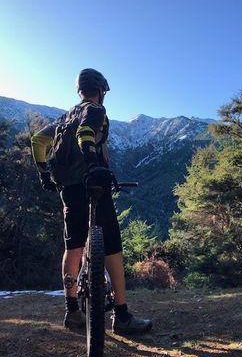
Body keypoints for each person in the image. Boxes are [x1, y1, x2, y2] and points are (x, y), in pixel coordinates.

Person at [31, 68, 152, 334]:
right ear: (100, 90)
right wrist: (91, 163)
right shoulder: (95, 110)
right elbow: (85, 132)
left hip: (68, 189)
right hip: (93, 184)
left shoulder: (64, 118)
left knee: (73, 247)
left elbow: (37, 140)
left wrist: (43, 174)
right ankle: (121, 316)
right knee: (112, 249)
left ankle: (72, 311)